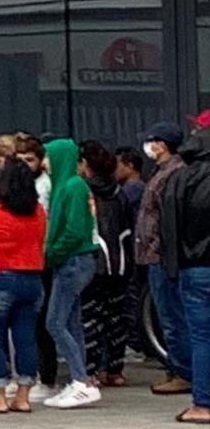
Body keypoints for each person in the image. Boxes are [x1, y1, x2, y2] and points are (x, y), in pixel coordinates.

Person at [0, 159, 47, 415]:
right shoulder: (38, 212)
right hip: (33, 278)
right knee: (26, 338)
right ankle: (23, 396)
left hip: (0, 275)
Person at [40, 137, 101, 408]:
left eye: (47, 157)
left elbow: (74, 230)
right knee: (71, 322)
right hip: (75, 259)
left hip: (72, 260)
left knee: (54, 322)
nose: (44, 163)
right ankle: (80, 379)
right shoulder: (68, 186)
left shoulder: (72, 187)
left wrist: (51, 254)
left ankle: (80, 380)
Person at [156, 123, 210, 423]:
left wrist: (171, 269)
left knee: (201, 336)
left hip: (195, 267)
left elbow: (169, 229)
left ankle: (203, 403)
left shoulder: (179, 179)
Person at [138, 122, 193, 396]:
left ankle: (183, 371)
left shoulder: (174, 173)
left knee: (172, 316)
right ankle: (179, 367)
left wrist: (160, 248)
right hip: (154, 255)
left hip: (161, 257)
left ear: (163, 144)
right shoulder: (160, 173)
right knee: (167, 314)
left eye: (152, 141)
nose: (148, 147)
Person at [80, 142, 135, 388]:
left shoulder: (84, 192)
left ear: (85, 165)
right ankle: (115, 369)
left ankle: (90, 371)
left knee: (90, 317)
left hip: (94, 261)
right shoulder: (118, 192)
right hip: (120, 261)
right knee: (116, 319)